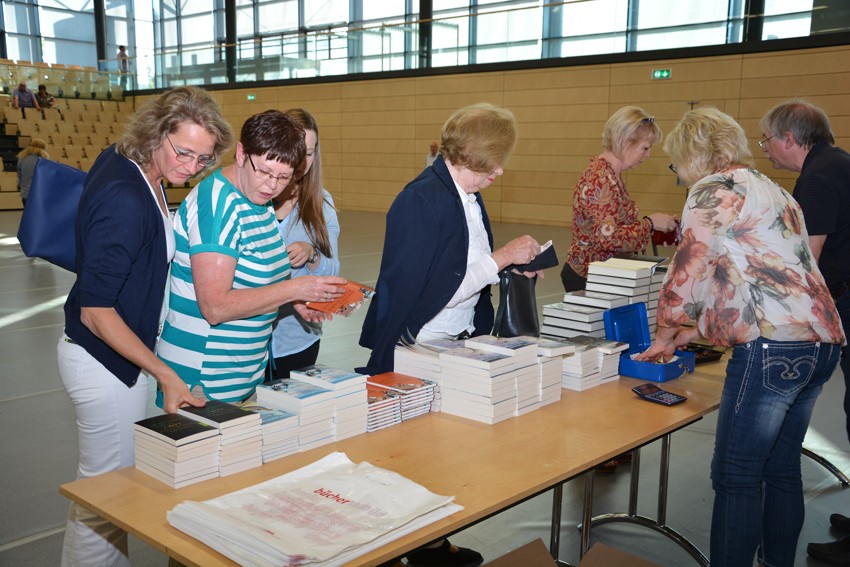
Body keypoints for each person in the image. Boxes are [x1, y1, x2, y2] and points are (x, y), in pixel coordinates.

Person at [636, 107, 845, 567]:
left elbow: (690, 270)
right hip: (821, 340)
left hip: (774, 349)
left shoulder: (713, 190)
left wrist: (663, 332)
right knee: (781, 467)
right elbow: (747, 281)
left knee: (736, 474)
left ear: (692, 154)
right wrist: (693, 332)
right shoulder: (773, 190)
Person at [358, 102, 540, 567]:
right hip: (417, 346)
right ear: (469, 154)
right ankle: (404, 547)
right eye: (492, 162)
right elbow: (432, 293)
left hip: (454, 340)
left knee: (439, 454)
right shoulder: (422, 200)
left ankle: (431, 543)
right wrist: (500, 260)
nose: (499, 171)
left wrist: (512, 270)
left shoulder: (465, 190)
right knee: (410, 457)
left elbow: (466, 264)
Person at [57, 86, 233, 567]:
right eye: (183, 152)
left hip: (109, 359)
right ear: (156, 133)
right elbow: (96, 309)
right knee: (108, 500)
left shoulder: (128, 162)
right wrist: (164, 372)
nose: (191, 168)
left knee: (104, 494)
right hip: (105, 364)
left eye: (202, 158)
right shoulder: (126, 197)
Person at [156, 110, 347, 403]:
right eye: (265, 172)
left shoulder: (259, 200)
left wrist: (295, 302)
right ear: (242, 153)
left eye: (284, 177)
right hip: (205, 377)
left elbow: (258, 277)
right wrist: (294, 289)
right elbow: (215, 307)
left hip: (245, 371)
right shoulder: (219, 206)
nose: (272, 185)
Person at [758, 99, 850, 565]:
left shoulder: (815, 180)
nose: (766, 149)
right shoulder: (839, 164)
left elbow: (804, 265)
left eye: (767, 140)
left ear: (790, 139)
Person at [561, 106, 677, 293]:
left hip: (600, 272)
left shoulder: (610, 176)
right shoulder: (601, 179)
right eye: (645, 148)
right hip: (588, 276)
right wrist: (649, 224)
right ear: (625, 142)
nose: (647, 155)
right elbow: (609, 238)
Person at [269, 108, 341, 379]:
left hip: (298, 340)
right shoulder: (253, 201)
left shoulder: (321, 203)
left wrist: (312, 255)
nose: (301, 160)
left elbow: (333, 272)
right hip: (248, 346)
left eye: (308, 152)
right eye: (295, 150)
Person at [16, 137, 49, 207]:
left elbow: (19, 176)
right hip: (38, 193)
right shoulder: (43, 160)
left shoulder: (22, 158)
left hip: (25, 193)